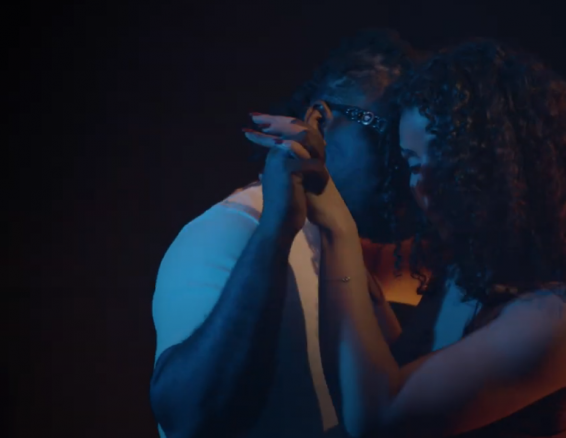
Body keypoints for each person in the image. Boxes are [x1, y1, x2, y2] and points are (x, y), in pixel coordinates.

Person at [250, 39, 566, 438]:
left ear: (505, 167)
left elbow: (380, 417)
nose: (422, 187)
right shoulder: (465, 271)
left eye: (443, 162)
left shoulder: (564, 317)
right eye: (411, 164)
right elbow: (398, 364)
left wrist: (337, 226)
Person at [148, 29, 422, 438]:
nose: (400, 165)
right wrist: (274, 232)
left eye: (408, 149)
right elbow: (188, 418)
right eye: (385, 136)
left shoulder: (337, 244)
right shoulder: (232, 228)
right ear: (320, 122)